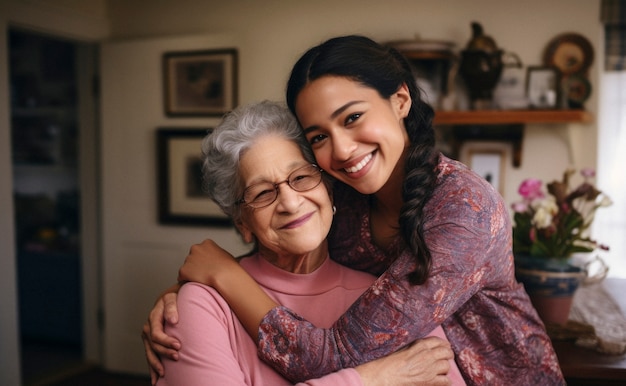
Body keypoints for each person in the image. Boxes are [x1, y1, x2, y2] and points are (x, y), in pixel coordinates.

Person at [145, 36, 565, 385]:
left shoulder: (464, 210)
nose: (342, 151)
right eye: (319, 136)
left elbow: (337, 354)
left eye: (353, 117)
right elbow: (283, 242)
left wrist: (223, 276)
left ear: (401, 99)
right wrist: (192, 299)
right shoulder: (346, 195)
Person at [153, 100, 464, 386]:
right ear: (242, 223)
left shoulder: (389, 295)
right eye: (262, 193)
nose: (289, 202)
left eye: (301, 178)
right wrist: (373, 379)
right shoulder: (200, 305)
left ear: (329, 192)